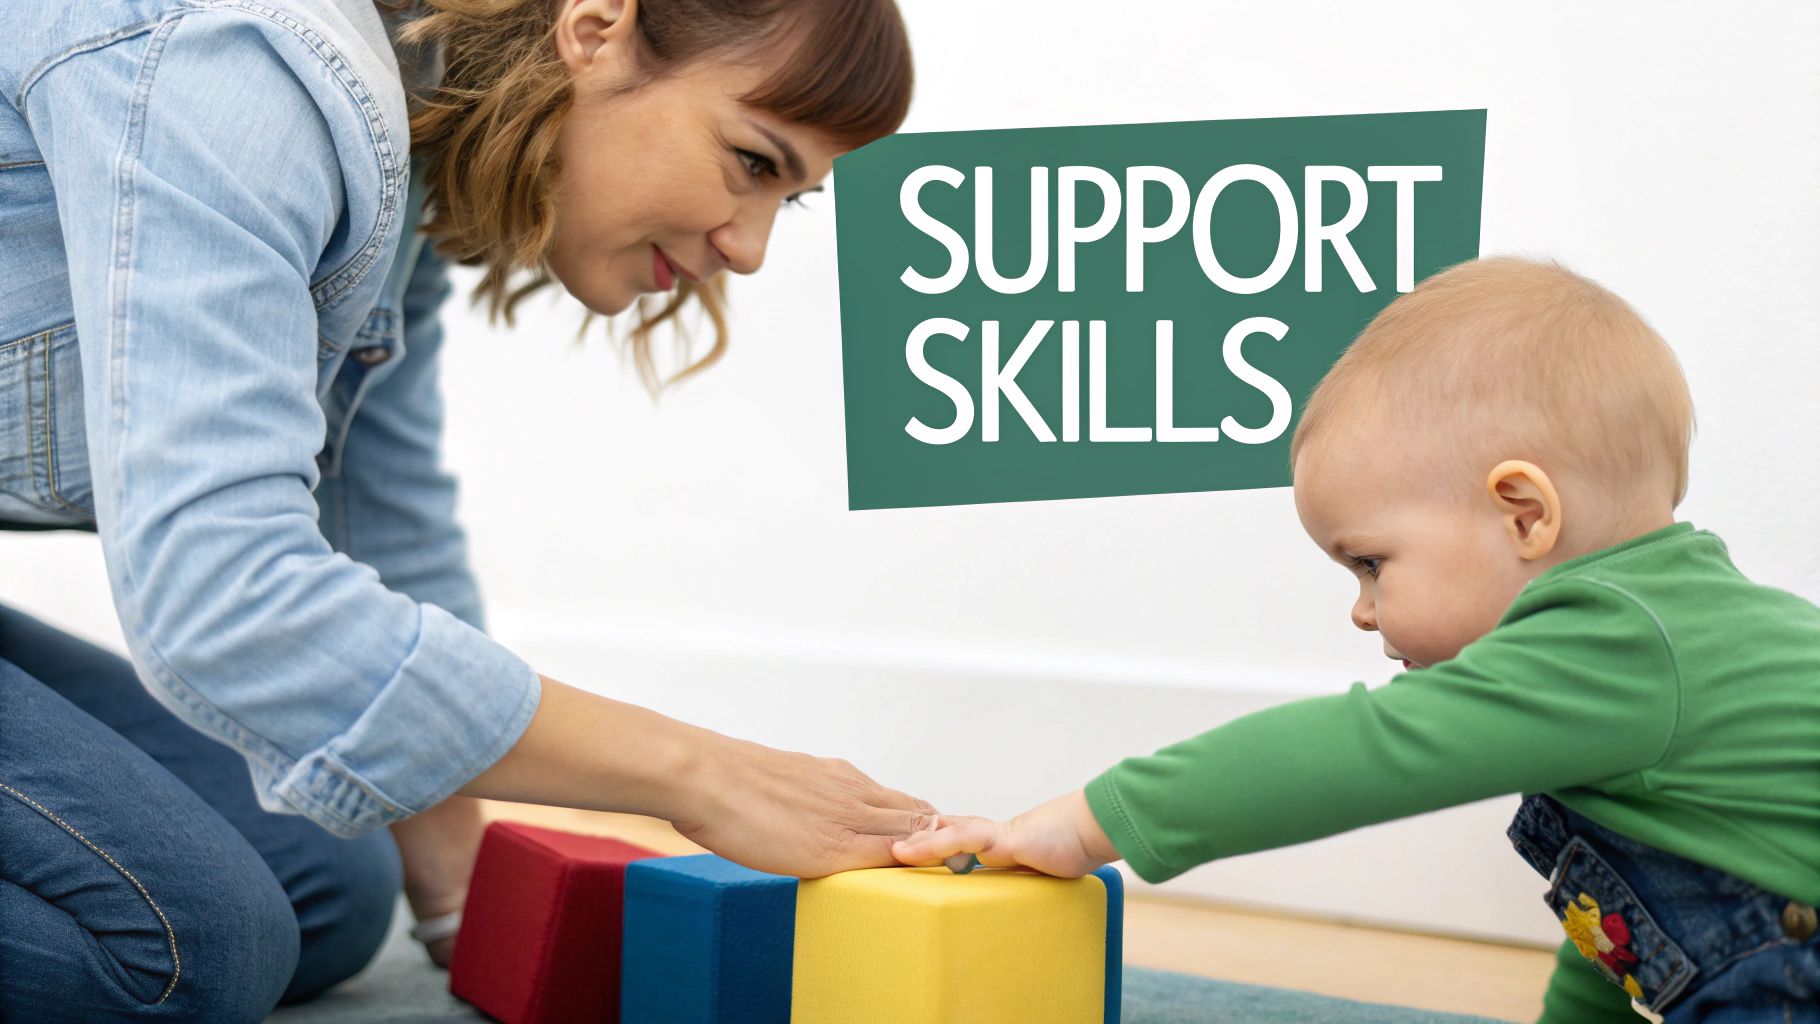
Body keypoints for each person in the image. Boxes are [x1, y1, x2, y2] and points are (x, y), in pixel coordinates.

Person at [0, 0, 927, 1019]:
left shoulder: (406, 141)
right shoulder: (240, 72)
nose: (748, 249)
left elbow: (376, 522)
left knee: (329, 885)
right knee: (184, 948)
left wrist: (471, 916)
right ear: (597, 27)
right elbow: (226, 601)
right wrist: (700, 775)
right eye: (755, 161)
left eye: (788, 199)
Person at [891, 257, 1820, 1022]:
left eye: (1372, 563)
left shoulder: (1618, 637)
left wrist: (1086, 822)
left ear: (1523, 514)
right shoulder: (1647, 648)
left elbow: (1361, 753)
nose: (1363, 611)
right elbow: (1616, 938)